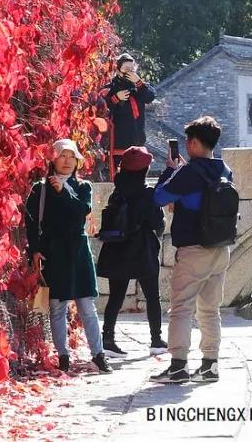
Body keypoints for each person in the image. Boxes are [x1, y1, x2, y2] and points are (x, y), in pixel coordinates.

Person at [150, 116, 232, 384]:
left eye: (187, 141)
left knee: (182, 308)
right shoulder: (224, 170)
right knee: (210, 309)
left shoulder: (189, 172)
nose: (185, 145)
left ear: (195, 142)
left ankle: (177, 366)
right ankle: (210, 365)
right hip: (220, 248)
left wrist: (171, 171)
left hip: (194, 248)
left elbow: (159, 197)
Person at [24, 139, 112, 374]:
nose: (67, 161)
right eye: (62, 155)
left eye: (72, 156)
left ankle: (99, 354)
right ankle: (63, 356)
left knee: (87, 306)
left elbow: (81, 212)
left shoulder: (83, 187)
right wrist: (34, 250)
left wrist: (63, 192)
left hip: (78, 249)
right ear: (53, 158)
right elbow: (31, 223)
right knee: (57, 306)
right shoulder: (40, 189)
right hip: (53, 251)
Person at [95, 146, 168, 357]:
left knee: (116, 297)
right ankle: (156, 339)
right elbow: (156, 223)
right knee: (152, 296)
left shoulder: (117, 192)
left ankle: (107, 338)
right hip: (142, 250)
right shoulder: (147, 193)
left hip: (117, 249)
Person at [104, 54, 156, 179]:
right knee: (119, 178)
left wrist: (138, 82)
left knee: (138, 178)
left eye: (132, 70)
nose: (130, 73)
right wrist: (116, 98)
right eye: (126, 69)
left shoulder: (140, 88)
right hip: (118, 144)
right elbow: (102, 108)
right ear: (118, 70)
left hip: (138, 141)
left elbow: (150, 96)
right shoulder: (110, 89)